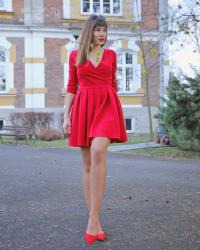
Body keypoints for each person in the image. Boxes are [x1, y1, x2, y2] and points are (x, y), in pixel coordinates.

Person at [63, 14, 128, 245]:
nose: (102, 34)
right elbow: (72, 87)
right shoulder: (75, 55)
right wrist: (66, 116)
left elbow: (112, 84)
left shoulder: (111, 55)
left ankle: (92, 217)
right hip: (83, 107)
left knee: (98, 150)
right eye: (98, 29)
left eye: (105, 30)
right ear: (89, 31)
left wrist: (117, 112)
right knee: (88, 164)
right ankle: (95, 220)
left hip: (107, 104)